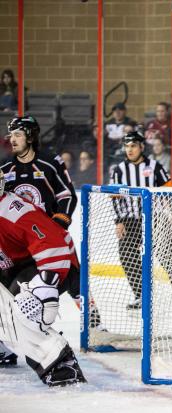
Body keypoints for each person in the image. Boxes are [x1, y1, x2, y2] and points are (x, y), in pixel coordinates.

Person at [0, 172, 86, 386]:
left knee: (22, 305)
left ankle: (60, 364)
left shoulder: (13, 210)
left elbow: (54, 243)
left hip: (53, 265)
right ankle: (5, 348)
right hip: (17, 267)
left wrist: (45, 285)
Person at [109, 131, 172, 310]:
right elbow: (114, 198)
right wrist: (118, 221)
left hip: (155, 219)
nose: (129, 150)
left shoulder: (155, 167)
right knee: (127, 255)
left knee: (167, 255)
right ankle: (141, 295)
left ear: (141, 147)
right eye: (127, 146)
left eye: (133, 146)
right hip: (129, 221)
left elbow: (169, 191)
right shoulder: (119, 170)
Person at [0, 116, 77, 230]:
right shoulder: (4, 168)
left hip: (46, 231)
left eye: (17, 135)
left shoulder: (51, 162)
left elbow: (66, 195)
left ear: (30, 138)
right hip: (15, 233)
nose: (12, 140)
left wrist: (61, 219)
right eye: (11, 135)